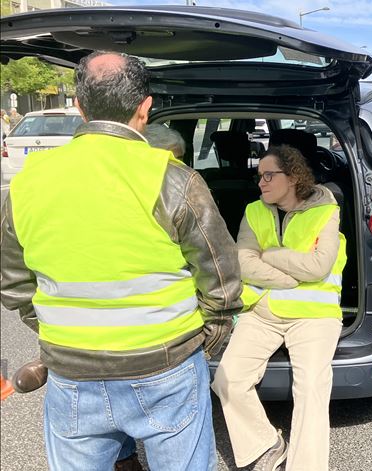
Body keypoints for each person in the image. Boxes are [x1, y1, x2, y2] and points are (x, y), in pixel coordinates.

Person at [0, 50, 242, 470]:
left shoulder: (27, 183)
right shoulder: (174, 179)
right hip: (166, 365)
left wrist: (57, 331)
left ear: (79, 106)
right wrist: (205, 343)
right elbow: (221, 281)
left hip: (71, 370)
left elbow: (13, 284)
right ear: (144, 108)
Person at [212, 144, 346, 471]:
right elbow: (243, 263)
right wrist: (288, 278)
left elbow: (318, 266)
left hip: (313, 317)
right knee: (227, 380)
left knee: (312, 388)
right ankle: (266, 444)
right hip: (263, 311)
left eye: (269, 175)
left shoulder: (326, 210)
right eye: (259, 176)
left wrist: (269, 255)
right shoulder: (254, 211)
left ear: (294, 176)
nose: (261, 183)